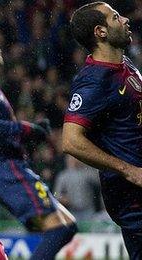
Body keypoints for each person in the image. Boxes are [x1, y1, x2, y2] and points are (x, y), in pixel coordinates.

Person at [0, 32, 77, 260]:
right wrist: (27, 129)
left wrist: (29, 133)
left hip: (9, 169)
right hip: (7, 170)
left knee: (68, 226)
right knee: (60, 229)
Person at [64, 2, 142, 258]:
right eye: (116, 17)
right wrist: (128, 170)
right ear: (101, 31)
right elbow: (71, 141)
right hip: (132, 195)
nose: (125, 20)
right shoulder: (93, 81)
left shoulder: (124, 64)